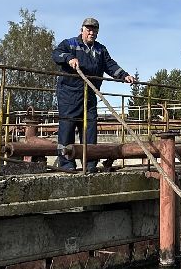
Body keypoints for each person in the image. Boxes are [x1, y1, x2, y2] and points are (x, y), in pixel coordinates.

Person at [52, 17, 135, 171]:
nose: (91, 32)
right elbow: (56, 54)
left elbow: (110, 65)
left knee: (90, 128)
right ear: (81, 30)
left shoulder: (100, 50)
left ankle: (89, 164)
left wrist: (124, 75)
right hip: (69, 94)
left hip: (89, 94)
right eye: (88, 29)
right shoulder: (70, 44)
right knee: (67, 127)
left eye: (94, 30)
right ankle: (66, 164)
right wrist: (69, 58)